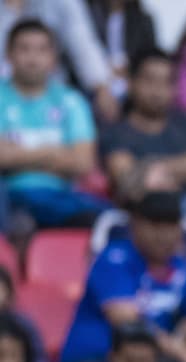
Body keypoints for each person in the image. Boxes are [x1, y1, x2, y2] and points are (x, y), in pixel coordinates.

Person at [57, 191, 186, 362]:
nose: (163, 235)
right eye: (155, 225)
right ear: (136, 226)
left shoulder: (182, 268)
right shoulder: (114, 258)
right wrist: (182, 353)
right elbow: (126, 320)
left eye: (171, 225)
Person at [0, 19, 107, 236]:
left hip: (62, 198)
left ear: (53, 58)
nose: (32, 58)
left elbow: (83, 162)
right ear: (8, 54)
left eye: (41, 50)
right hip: (9, 196)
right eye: (24, 49)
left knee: (114, 222)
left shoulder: (72, 100)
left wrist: (17, 155)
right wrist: (54, 152)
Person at [98, 48, 186, 210]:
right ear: (130, 82)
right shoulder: (114, 133)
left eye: (167, 82)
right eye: (150, 81)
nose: (158, 91)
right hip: (142, 213)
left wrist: (148, 168)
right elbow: (127, 180)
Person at [0, 0, 119, 121]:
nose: (32, 57)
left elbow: (81, 41)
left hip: (51, 88)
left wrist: (101, 87)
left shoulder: (69, 101)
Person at [86, 0, 157, 102]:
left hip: (131, 81)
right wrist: (103, 69)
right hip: (96, 81)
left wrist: (130, 71)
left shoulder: (143, 20)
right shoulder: (89, 16)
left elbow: (150, 58)